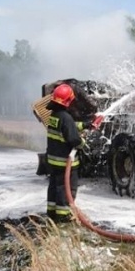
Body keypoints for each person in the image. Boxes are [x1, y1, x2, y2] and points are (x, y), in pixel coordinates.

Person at [45, 83, 89, 223]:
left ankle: (52, 212)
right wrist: (82, 143)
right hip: (66, 162)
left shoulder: (55, 115)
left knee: (54, 187)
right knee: (66, 189)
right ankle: (64, 216)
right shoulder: (66, 118)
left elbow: (68, 127)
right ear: (68, 101)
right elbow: (73, 138)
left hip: (53, 161)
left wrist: (86, 125)